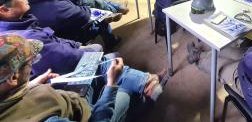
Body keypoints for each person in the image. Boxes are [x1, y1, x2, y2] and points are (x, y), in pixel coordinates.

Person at [0, 34, 163, 122]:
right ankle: (143, 98)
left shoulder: (8, 94)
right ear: (13, 76)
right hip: (90, 114)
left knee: (97, 62)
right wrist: (111, 84)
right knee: (123, 87)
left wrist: (30, 85)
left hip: (72, 102)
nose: (33, 64)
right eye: (31, 62)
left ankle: (144, 82)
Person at [0, 0, 102, 75]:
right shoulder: (24, 38)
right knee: (103, 51)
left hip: (64, 55)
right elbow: (67, 61)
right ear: (4, 10)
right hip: (60, 82)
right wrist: (90, 50)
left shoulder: (22, 23)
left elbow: (54, 40)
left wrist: (77, 45)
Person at [17, 0, 121, 45]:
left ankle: (111, 12)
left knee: (93, 5)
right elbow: (83, 15)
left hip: (53, 37)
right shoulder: (55, 4)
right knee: (99, 18)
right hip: (70, 37)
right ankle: (111, 40)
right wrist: (83, 9)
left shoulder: (22, 7)